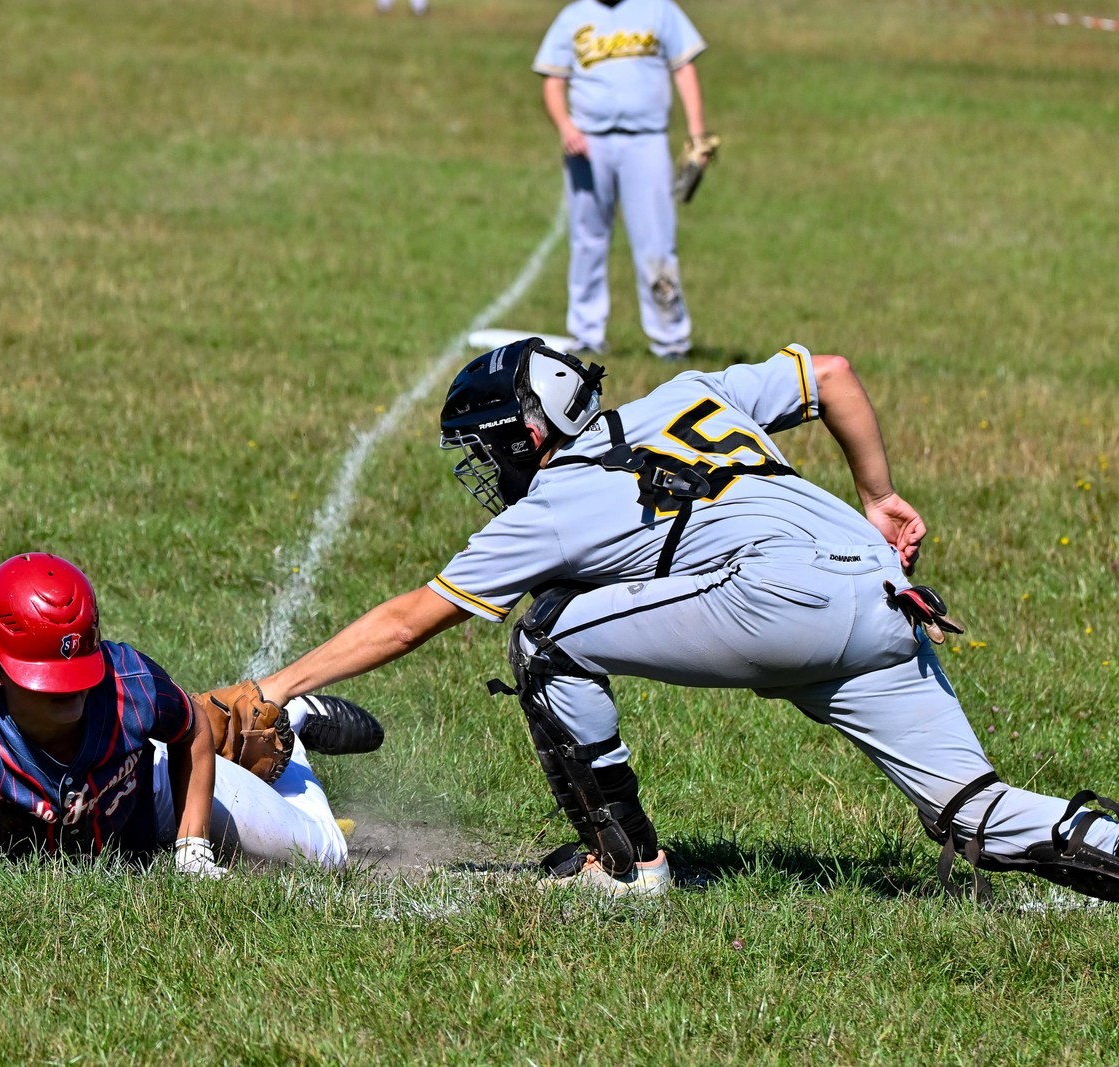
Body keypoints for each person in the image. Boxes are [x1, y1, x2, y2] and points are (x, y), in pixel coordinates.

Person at [254, 337, 1119, 902]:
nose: (485, 467)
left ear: (525, 436)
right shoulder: (691, 391)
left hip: (780, 596)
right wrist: (879, 494)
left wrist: (273, 686)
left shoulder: (555, 500)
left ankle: (628, 867)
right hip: (887, 595)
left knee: (545, 634)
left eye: (488, 447)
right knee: (976, 811)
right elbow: (834, 375)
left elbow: (412, 617)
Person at [0, 552, 382, 875]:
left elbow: (191, 729)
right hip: (98, 833)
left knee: (323, 857)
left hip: (151, 799)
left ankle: (292, 725)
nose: (69, 695)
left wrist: (191, 844)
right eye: (46, 685)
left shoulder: (127, 679)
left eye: (78, 678)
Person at [532, 0, 711, 361]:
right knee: (587, 240)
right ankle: (586, 334)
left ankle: (670, 338)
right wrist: (566, 127)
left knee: (657, 241)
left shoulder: (658, 9)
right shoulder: (573, 16)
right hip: (588, 143)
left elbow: (684, 68)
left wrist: (697, 135)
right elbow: (553, 83)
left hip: (646, 139)